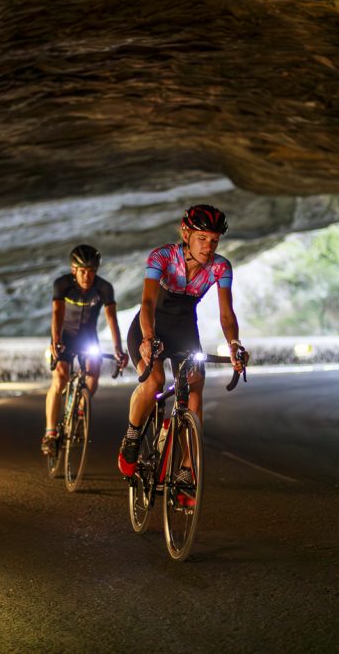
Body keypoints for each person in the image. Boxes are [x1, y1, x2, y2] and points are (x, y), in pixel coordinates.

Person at [117, 204, 248, 481]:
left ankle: (187, 469)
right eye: (202, 238)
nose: (208, 247)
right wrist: (149, 339)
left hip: (185, 329)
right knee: (153, 382)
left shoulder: (221, 267)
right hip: (150, 325)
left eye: (214, 241)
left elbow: (226, 314)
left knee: (195, 385)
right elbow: (148, 302)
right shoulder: (162, 257)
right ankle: (131, 436)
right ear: (185, 232)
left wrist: (234, 343)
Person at [43, 244, 127, 454]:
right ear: (74, 270)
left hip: (88, 338)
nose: (87, 276)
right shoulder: (62, 285)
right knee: (60, 378)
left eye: (91, 272)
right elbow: (57, 314)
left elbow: (112, 320)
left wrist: (118, 350)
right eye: (82, 271)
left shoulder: (104, 288)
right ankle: (50, 433)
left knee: (94, 373)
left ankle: (81, 410)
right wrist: (55, 341)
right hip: (65, 336)